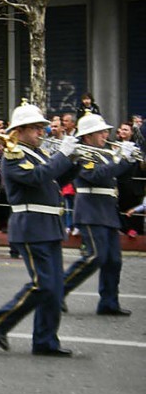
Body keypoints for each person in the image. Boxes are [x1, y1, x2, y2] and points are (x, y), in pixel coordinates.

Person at [0, 100, 80, 357]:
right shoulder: (14, 154)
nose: (42, 131)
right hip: (31, 225)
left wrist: (75, 161)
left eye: (41, 127)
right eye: (36, 127)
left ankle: (45, 340)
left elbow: (55, 178)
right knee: (44, 284)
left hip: (48, 225)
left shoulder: (37, 153)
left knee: (55, 288)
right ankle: (0, 319)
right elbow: (37, 177)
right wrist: (63, 155)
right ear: (19, 131)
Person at [61, 114, 139, 316]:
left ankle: (109, 302)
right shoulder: (82, 154)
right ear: (88, 136)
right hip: (91, 210)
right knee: (94, 257)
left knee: (114, 260)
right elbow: (96, 175)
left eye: (105, 131)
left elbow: (120, 177)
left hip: (107, 210)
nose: (106, 134)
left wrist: (130, 161)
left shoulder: (105, 153)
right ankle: (57, 292)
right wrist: (122, 159)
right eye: (101, 132)